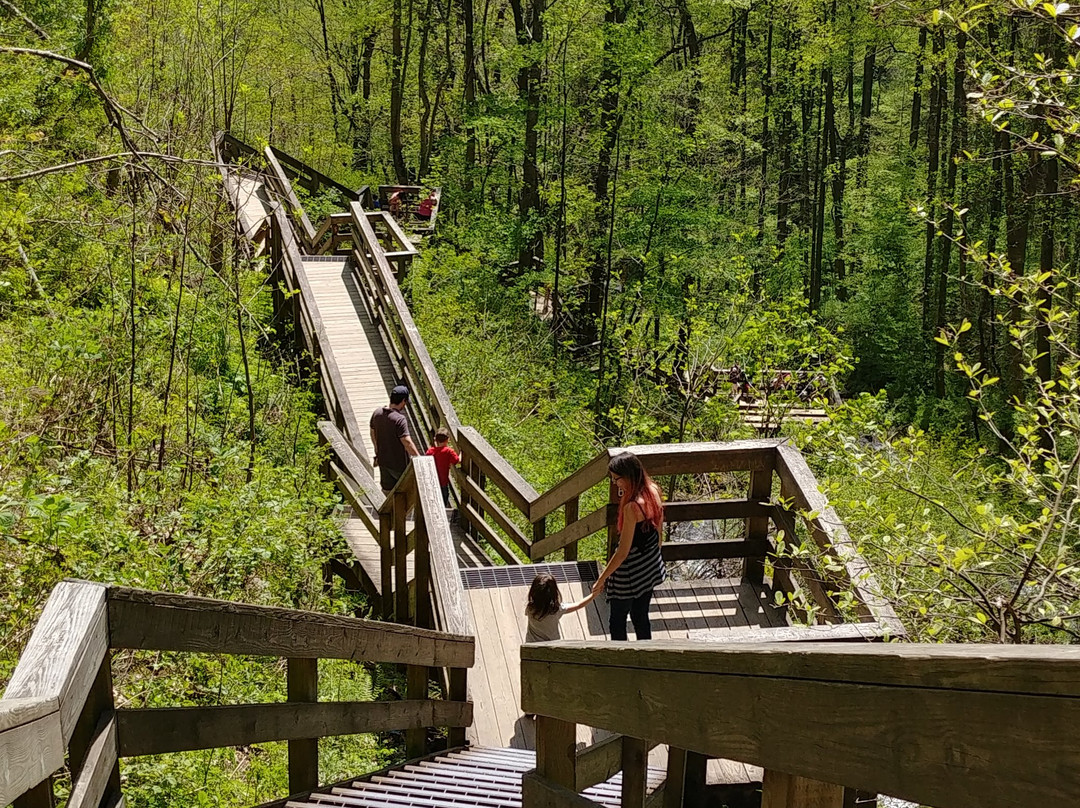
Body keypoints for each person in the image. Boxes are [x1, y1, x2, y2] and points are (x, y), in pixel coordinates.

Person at [592, 452, 665, 641]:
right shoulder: (653, 491)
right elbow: (659, 532)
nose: (615, 483)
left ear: (628, 476)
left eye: (616, 479)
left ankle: (620, 655)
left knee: (617, 621)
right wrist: (653, 556)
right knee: (641, 616)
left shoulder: (632, 508)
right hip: (649, 567)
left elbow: (622, 553)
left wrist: (601, 579)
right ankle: (646, 652)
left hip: (629, 575)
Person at [370, 385, 420, 493]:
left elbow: (372, 432)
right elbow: (407, 442)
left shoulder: (377, 413)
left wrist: (377, 449)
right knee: (407, 492)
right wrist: (419, 458)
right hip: (398, 465)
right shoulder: (400, 419)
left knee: (387, 491)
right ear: (403, 401)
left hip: (383, 461)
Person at [524, 573, 598, 643]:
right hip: (551, 646)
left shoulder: (530, 608)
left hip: (531, 646)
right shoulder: (556, 610)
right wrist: (593, 595)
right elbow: (579, 605)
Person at [425, 427, 460, 506]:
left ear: (435, 439)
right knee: (443, 503)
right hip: (443, 483)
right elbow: (457, 461)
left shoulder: (430, 451)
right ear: (448, 439)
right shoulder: (448, 451)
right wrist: (461, 453)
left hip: (432, 482)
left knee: (433, 502)